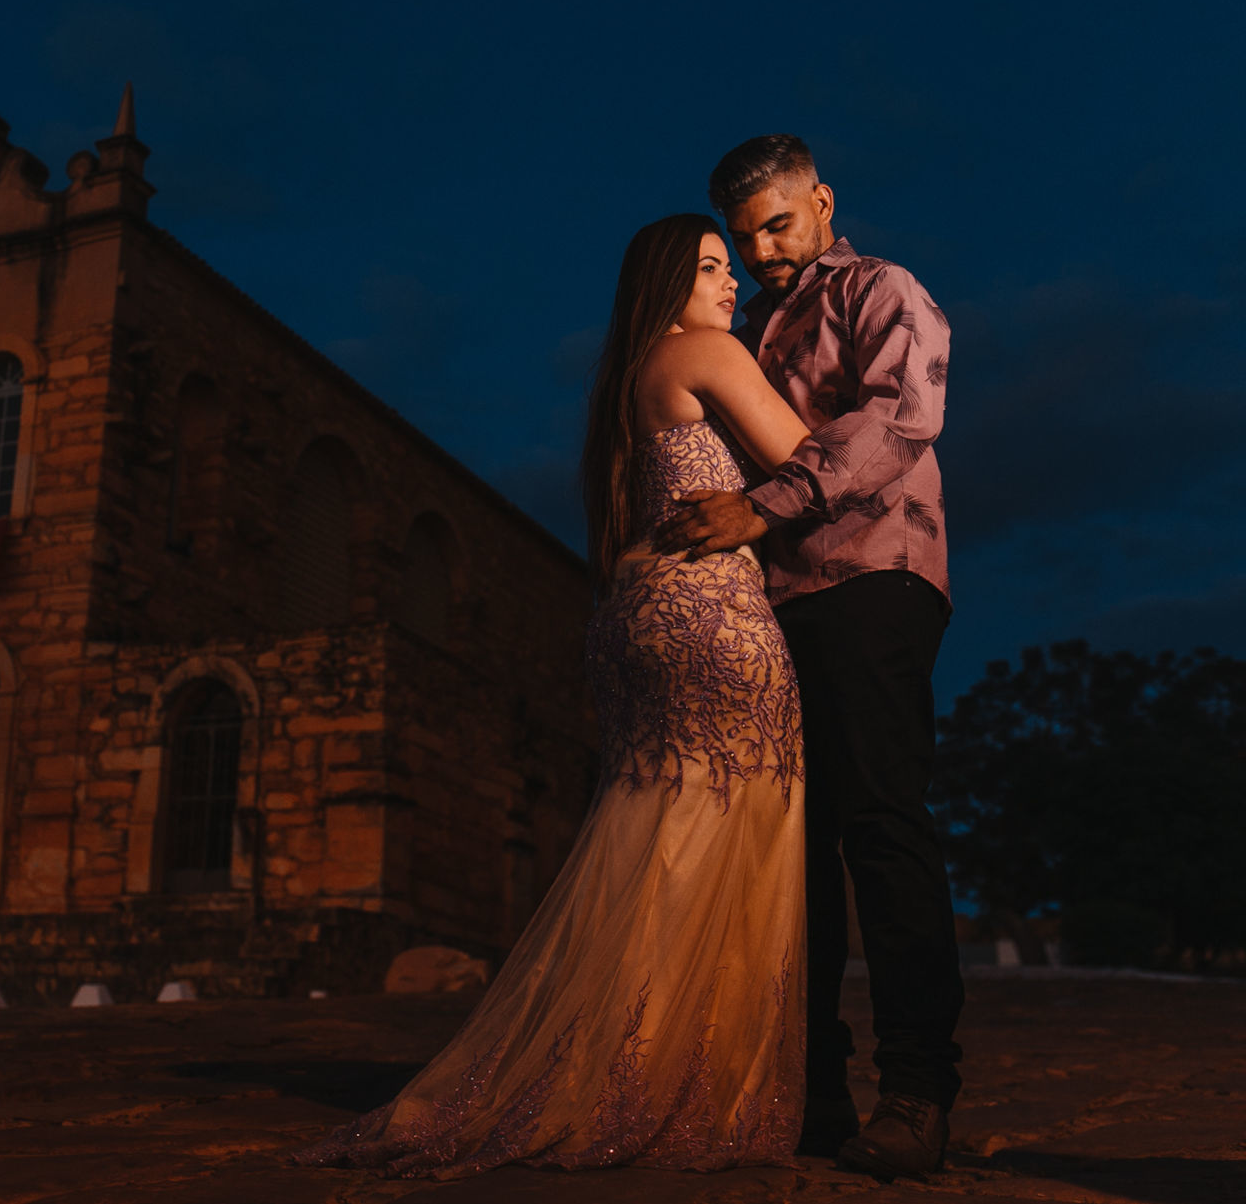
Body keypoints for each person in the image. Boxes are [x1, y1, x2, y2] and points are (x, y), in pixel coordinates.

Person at [291, 214, 812, 1175]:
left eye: (727, 266)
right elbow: (805, 456)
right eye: (706, 267)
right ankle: (677, 1080)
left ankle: (616, 1060)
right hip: (712, 615)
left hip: (635, 613)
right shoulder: (706, 351)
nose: (729, 281)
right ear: (664, 284)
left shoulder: (622, 386)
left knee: (651, 842)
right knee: (719, 841)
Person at [655, 135, 961, 1181]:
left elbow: (903, 415)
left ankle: (918, 1093)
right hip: (774, 601)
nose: (764, 249)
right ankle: (816, 1093)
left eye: (778, 224)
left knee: (881, 824)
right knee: (797, 855)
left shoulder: (881, 288)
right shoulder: (745, 325)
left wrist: (767, 504)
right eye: (745, 238)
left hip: (874, 576)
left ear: (823, 201)